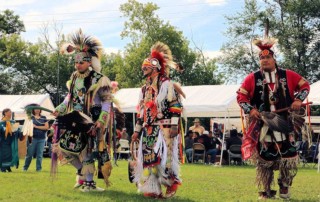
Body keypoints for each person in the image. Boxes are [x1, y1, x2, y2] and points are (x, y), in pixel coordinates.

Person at [237, 37, 310, 199]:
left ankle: (284, 185)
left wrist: (298, 100)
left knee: (287, 155)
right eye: (261, 58)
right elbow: (241, 97)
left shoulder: (287, 75)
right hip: (263, 125)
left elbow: (305, 85)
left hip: (285, 122)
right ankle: (266, 188)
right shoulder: (252, 78)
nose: (264, 60)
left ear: (274, 59)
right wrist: (250, 110)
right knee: (265, 158)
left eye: (267, 57)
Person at [53, 29, 115, 192]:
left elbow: (107, 101)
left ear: (89, 62)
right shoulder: (74, 77)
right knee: (65, 147)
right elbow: (69, 97)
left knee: (87, 151)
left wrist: (101, 120)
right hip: (75, 117)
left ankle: (89, 183)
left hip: (92, 119)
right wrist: (60, 108)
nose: (78, 65)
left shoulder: (99, 79)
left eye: (81, 62)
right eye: (76, 62)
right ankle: (81, 172)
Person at [131, 42, 185, 199]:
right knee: (150, 160)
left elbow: (176, 105)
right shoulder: (144, 89)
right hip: (149, 129)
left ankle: (171, 182)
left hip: (164, 128)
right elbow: (141, 112)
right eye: (143, 68)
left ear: (155, 68)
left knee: (163, 160)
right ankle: (154, 188)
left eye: (146, 67)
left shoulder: (167, 84)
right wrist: (136, 131)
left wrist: (174, 125)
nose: (143, 70)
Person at [23, 104, 49, 172]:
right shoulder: (30, 117)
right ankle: (25, 168)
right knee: (29, 154)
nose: (37, 110)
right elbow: (27, 127)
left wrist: (36, 127)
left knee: (39, 155)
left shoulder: (44, 117)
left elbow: (46, 127)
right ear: (33, 110)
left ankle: (38, 169)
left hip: (42, 139)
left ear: (40, 110)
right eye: (36, 109)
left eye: (38, 109)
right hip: (32, 138)